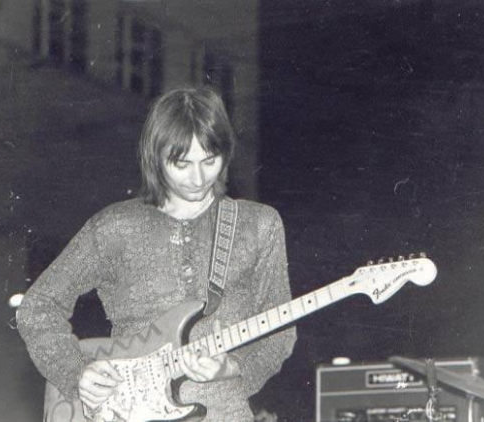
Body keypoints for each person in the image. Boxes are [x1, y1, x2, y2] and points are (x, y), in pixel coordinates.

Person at [16, 86, 296, 420]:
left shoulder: (260, 225)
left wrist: (233, 365)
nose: (197, 178)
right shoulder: (115, 227)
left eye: (209, 161)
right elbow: (38, 307)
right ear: (155, 158)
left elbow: (280, 332)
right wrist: (75, 371)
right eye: (181, 163)